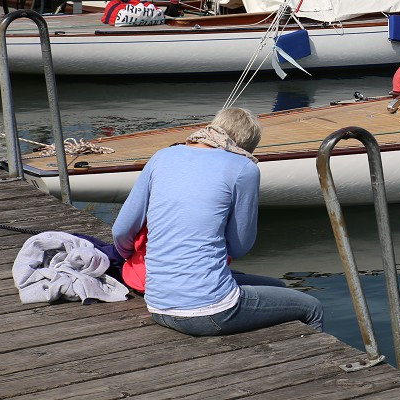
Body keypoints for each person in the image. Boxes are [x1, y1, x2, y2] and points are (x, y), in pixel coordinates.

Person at [112, 107, 323, 336]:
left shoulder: (161, 157)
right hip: (209, 311)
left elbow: (121, 230)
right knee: (311, 307)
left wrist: (132, 257)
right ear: (245, 147)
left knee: (278, 288)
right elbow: (239, 247)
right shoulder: (244, 168)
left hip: (157, 303)